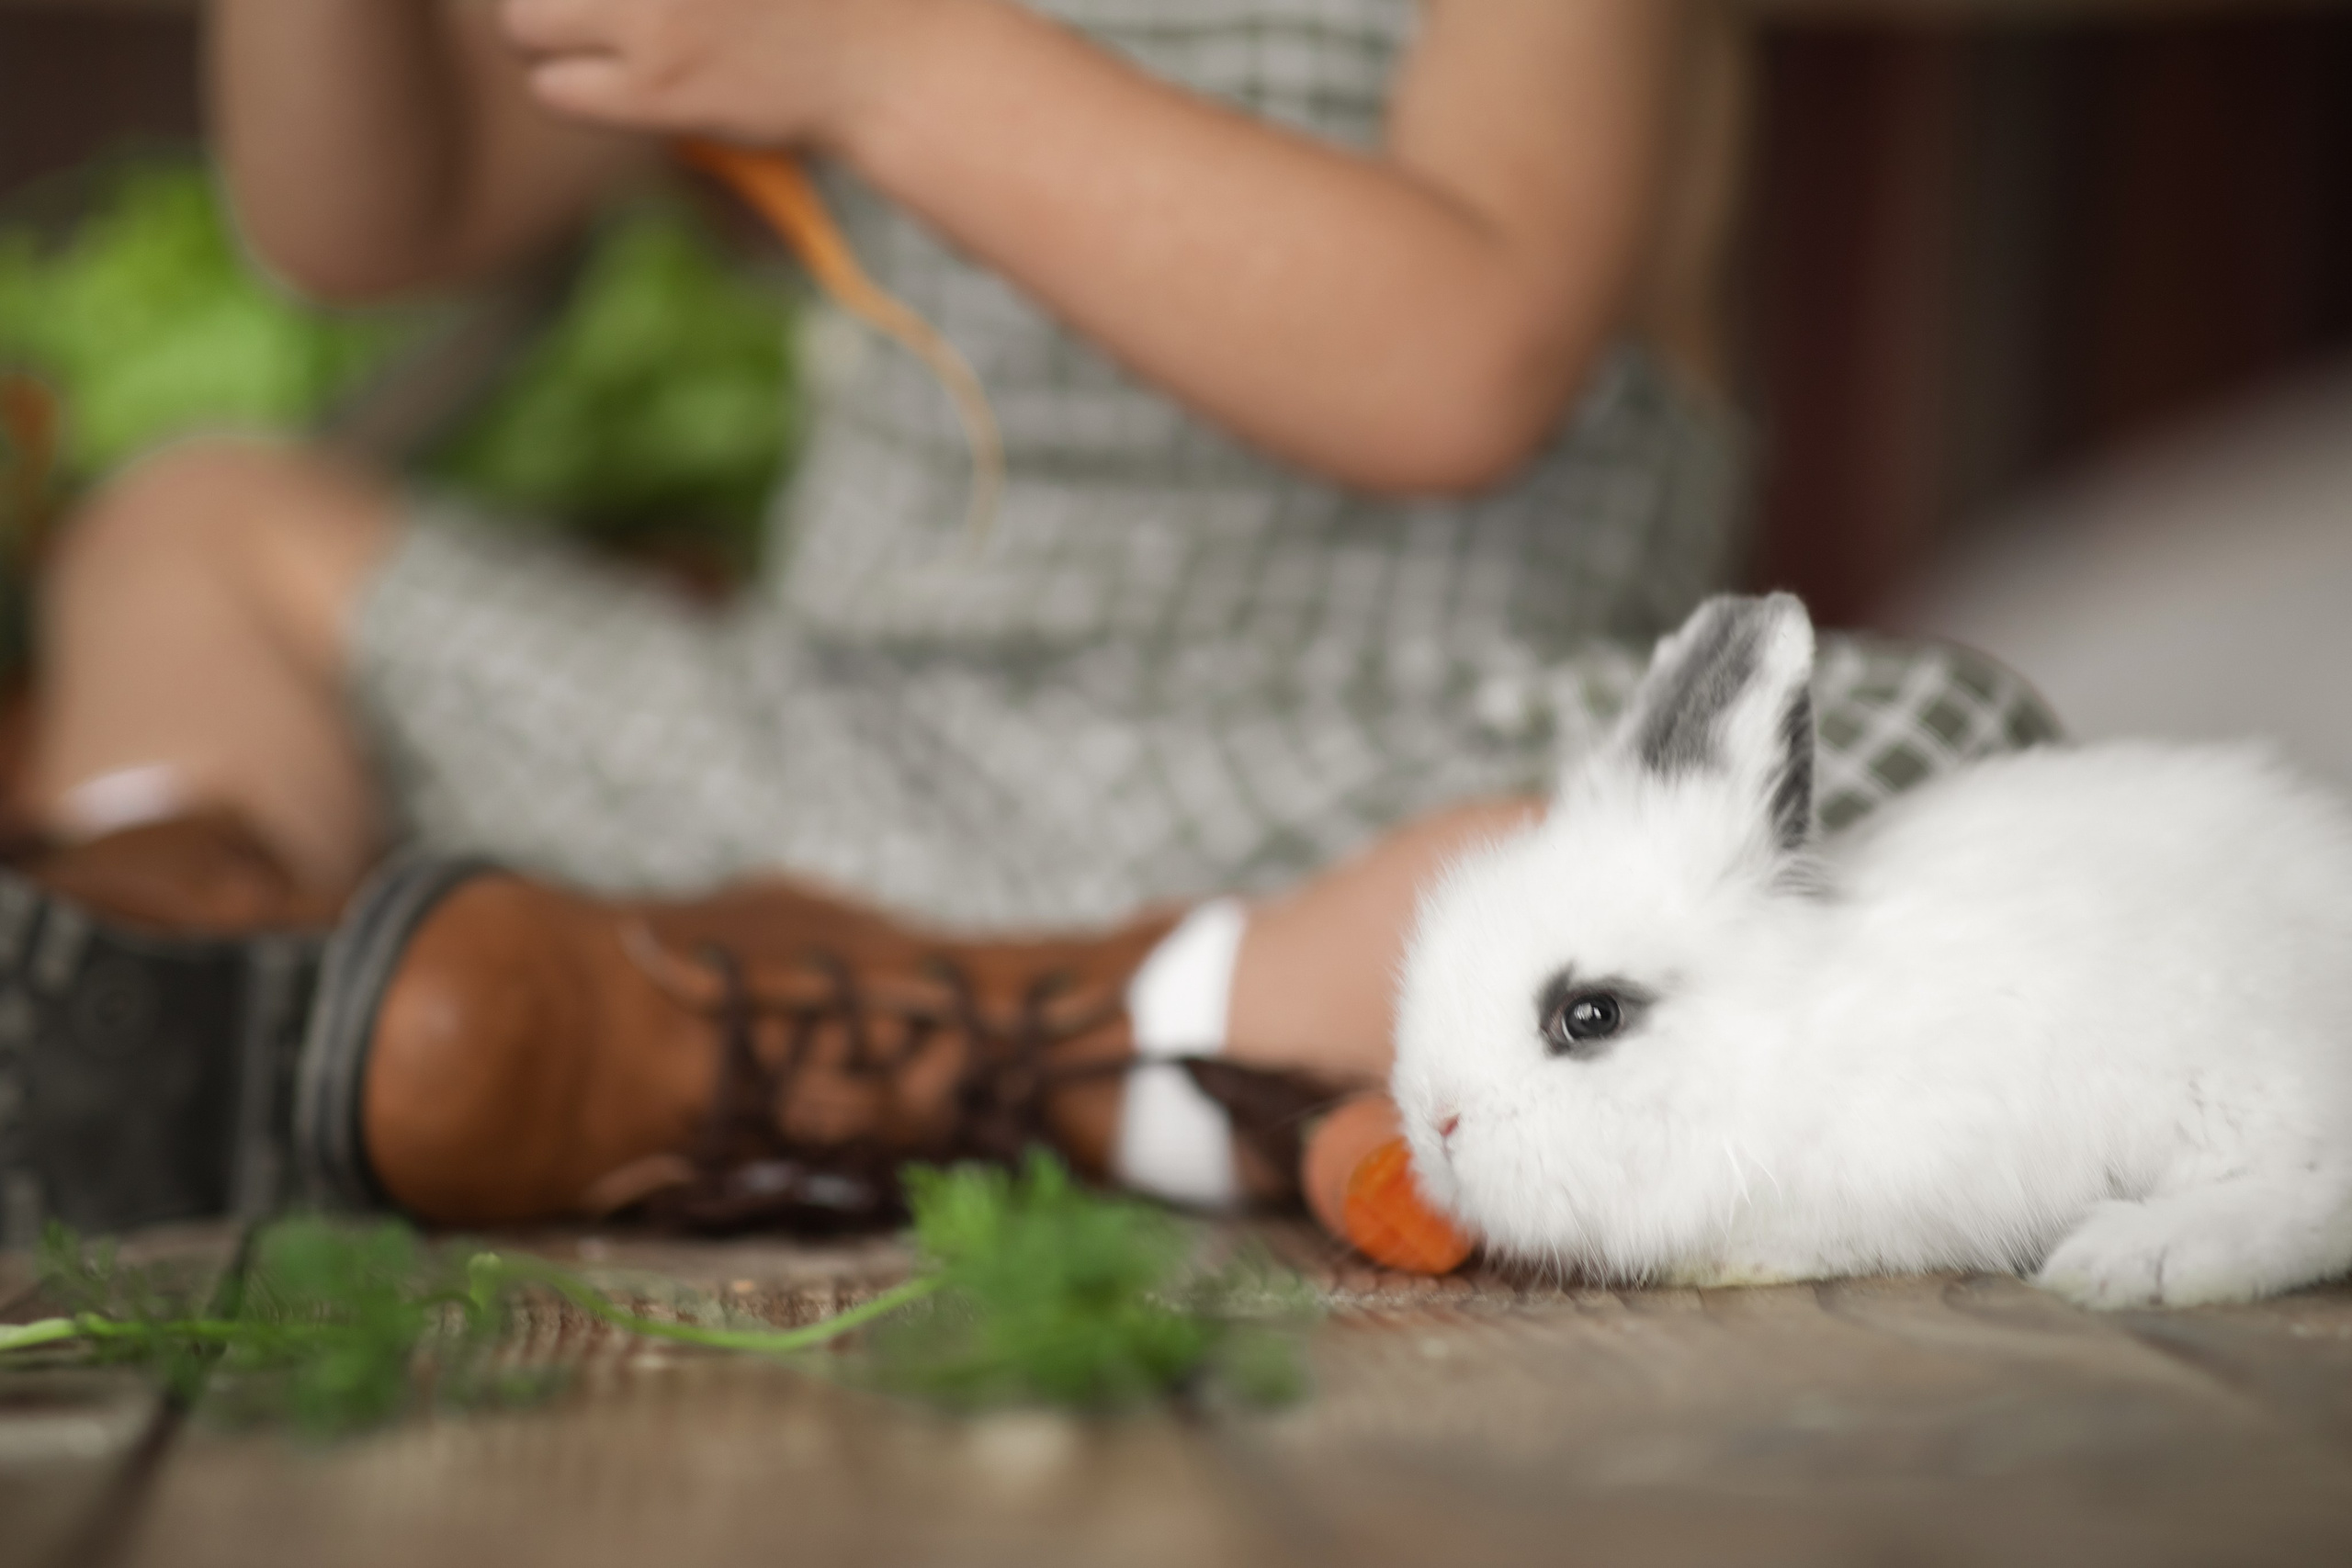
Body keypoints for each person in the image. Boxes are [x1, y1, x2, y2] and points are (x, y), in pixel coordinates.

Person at [0, 0, 2055, 1246]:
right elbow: (367, 222)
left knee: (1933, 755)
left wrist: (899, 57)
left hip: (1365, 824)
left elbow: (1461, 365)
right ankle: (185, 1006)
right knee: (193, 529)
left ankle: (730, 1047)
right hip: (824, 778)